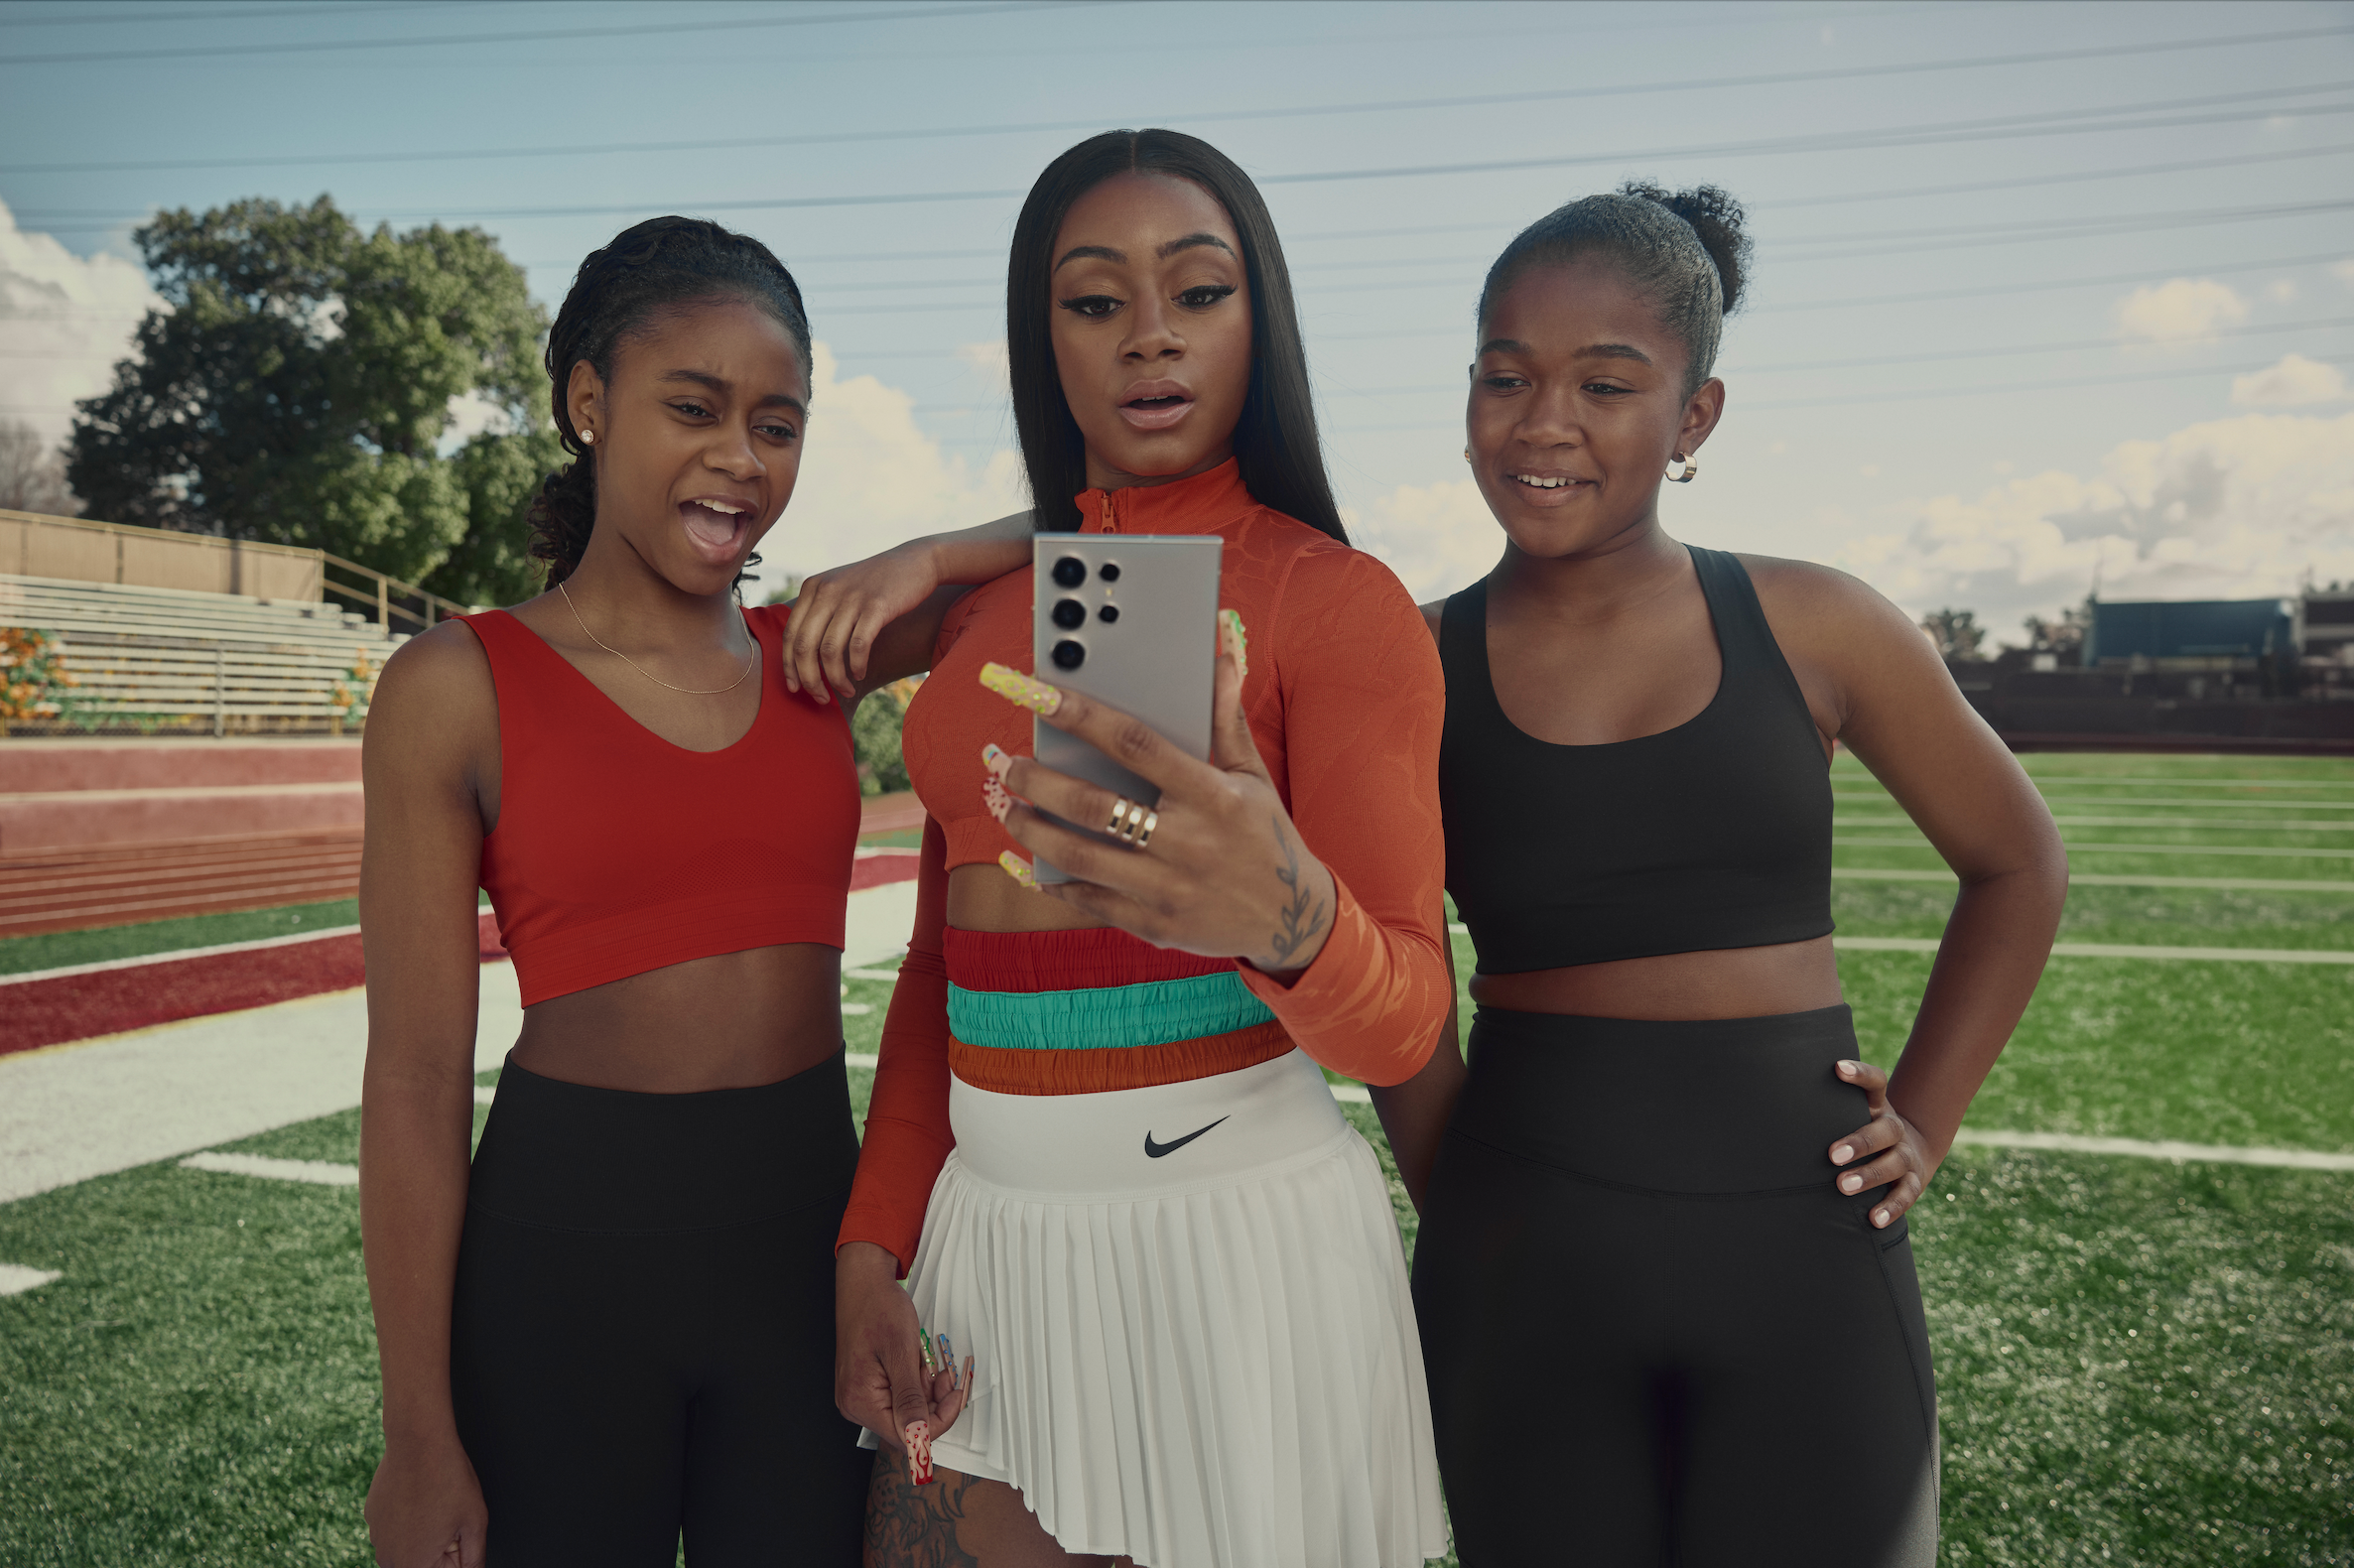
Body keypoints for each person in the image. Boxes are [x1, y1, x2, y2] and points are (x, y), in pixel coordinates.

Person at [794, 130, 1453, 1568]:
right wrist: (869, 1247)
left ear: (1260, 320)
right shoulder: (983, 614)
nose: (1150, 334)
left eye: (1198, 292)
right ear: (1044, 341)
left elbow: (1406, 1022)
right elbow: (938, 974)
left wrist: (1287, 917)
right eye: (1095, 301)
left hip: (1240, 1256)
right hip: (984, 1248)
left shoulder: (1336, 601)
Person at [1384, 185, 2068, 1566]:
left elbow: (2017, 862)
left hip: (1803, 1246)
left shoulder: (1818, 621)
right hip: (1520, 1254)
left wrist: (1925, 1121)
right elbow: (1381, 965)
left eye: (1606, 384)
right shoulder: (1409, 660)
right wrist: (1464, 1192)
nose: (1544, 422)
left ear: (1694, 417)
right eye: (1505, 378)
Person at [356, 216, 962, 1568]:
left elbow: (1078, 538)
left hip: (805, 1259)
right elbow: (411, 1079)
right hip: (563, 1268)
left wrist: (924, 557)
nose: (741, 457)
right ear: (589, 401)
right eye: (694, 407)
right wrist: (416, 1433)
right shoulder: (454, 687)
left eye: (777, 426)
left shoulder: (819, 655)